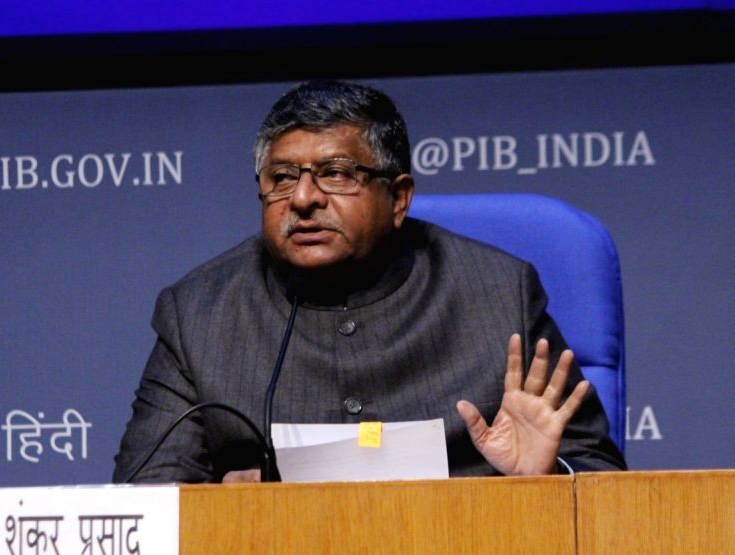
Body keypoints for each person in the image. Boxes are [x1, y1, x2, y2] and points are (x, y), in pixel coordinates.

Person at [112, 80, 626, 483]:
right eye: (283, 177)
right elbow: (146, 504)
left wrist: (544, 479)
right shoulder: (198, 312)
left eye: (336, 173)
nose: (303, 198)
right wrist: (227, 506)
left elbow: (600, 476)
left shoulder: (499, 292)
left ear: (398, 198)